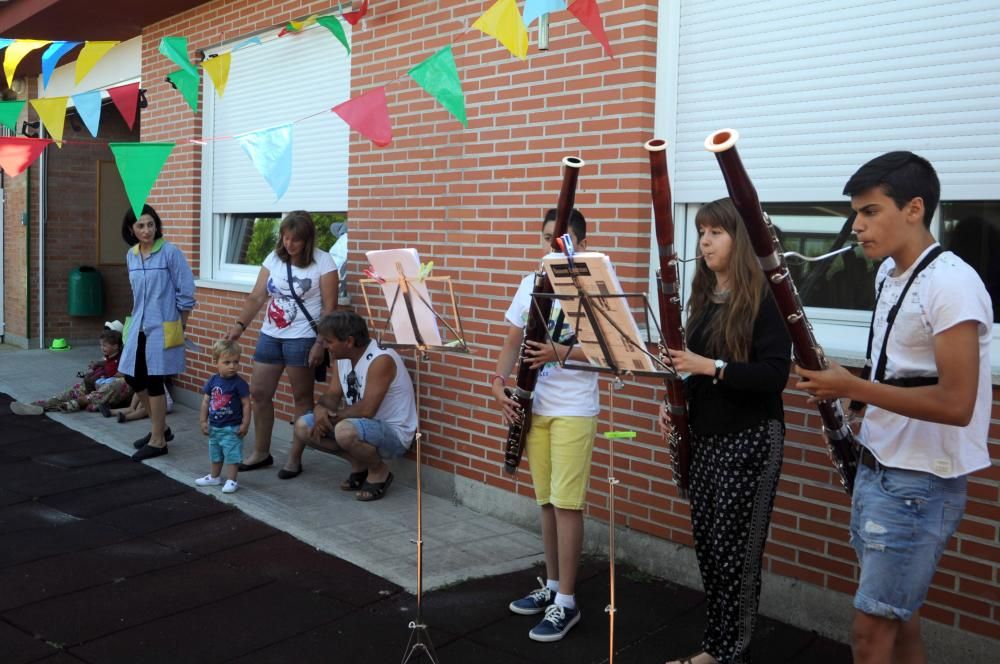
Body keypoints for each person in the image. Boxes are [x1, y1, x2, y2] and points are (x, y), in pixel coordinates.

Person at [795, 152, 992, 664]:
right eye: (855, 214)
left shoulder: (951, 284)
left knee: (870, 632)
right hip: (881, 466)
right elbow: (899, 373)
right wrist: (851, 391)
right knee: (898, 619)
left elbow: (956, 403)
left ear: (914, 209)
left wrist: (854, 389)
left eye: (870, 211)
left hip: (920, 481)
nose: (856, 227)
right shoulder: (888, 274)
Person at [658, 198, 791, 664]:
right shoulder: (703, 298)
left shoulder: (766, 299)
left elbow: (774, 376)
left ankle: (729, 651)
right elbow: (688, 372)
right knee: (711, 551)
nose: (705, 241)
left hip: (751, 438)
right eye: (701, 232)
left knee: (737, 554)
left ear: (739, 240)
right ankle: (716, 646)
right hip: (708, 438)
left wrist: (708, 366)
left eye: (716, 232)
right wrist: (672, 404)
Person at [490, 208, 598, 643]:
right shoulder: (531, 283)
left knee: (568, 504)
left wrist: (560, 353)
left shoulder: (595, 289)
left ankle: (568, 602)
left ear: (581, 245)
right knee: (547, 502)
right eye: (546, 239)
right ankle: (552, 587)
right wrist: (498, 383)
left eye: (561, 241)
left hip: (574, 407)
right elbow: (512, 342)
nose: (551, 249)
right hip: (535, 405)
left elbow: (611, 353)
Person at [226, 211, 338, 472]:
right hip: (270, 336)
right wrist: (239, 327)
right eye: (286, 238)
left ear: (307, 240)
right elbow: (256, 297)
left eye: (296, 240)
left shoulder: (324, 262)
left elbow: (330, 308)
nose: (289, 244)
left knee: (302, 399)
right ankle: (261, 453)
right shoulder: (274, 258)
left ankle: (295, 458)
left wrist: (320, 343)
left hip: (303, 338)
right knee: (259, 393)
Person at [278, 311, 416, 503]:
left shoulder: (381, 359)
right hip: (360, 426)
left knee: (344, 431)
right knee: (303, 427)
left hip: (393, 434)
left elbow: (367, 409)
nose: (324, 346)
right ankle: (358, 463)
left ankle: (379, 470)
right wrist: (320, 411)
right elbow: (333, 394)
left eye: (329, 341)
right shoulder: (341, 358)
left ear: (349, 341)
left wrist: (331, 418)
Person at [119, 204, 196, 462]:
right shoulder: (131, 255)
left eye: (150, 224)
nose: (147, 230)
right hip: (138, 323)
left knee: (154, 381)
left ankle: (158, 440)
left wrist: (179, 325)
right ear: (131, 229)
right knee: (133, 377)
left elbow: (186, 291)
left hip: (163, 325)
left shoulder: (170, 253)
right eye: (140, 225)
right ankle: (160, 427)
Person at [10, 327, 133, 415]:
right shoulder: (108, 357)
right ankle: (39, 405)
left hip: (111, 388)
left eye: (105, 346)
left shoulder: (126, 357)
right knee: (73, 390)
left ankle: (71, 404)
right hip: (100, 384)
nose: (102, 348)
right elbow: (104, 366)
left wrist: (108, 373)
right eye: (102, 345)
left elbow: (125, 374)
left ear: (116, 346)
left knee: (116, 384)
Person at [195, 339, 251, 494]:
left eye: (235, 362)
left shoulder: (239, 383)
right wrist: (203, 420)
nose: (232, 366)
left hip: (232, 428)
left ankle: (232, 480)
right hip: (215, 426)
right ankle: (214, 477)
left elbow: (247, 404)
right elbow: (206, 401)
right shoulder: (213, 380)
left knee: (232, 455)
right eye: (227, 362)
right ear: (216, 362)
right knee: (215, 453)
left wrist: (245, 424)